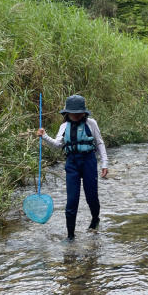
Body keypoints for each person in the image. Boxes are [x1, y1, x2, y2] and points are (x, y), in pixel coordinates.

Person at [38, 94, 108, 240]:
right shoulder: (64, 126)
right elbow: (58, 145)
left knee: (92, 197)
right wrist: (44, 136)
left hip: (89, 161)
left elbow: (99, 143)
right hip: (72, 164)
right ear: (67, 113)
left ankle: (95, 219)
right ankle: (70, 235)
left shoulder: (91, 123)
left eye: (78, 113)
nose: (76, 116)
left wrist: (104, 163)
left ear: (84, 112)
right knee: (72, 200)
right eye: (73, 113)